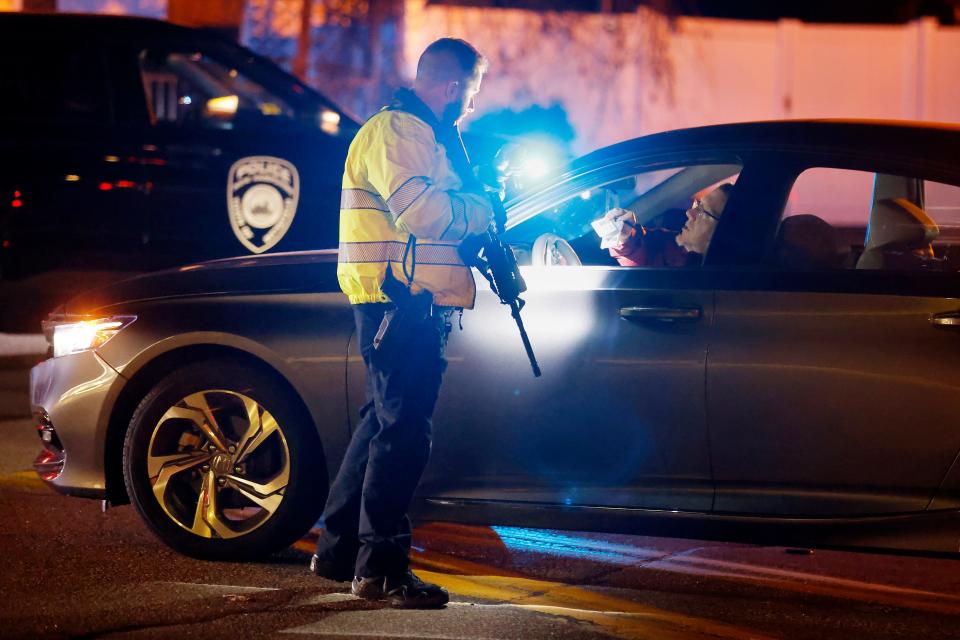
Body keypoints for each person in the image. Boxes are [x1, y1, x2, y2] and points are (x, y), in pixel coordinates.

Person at [309, 39, 494, 609]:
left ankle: (339, 552)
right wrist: (483, 208)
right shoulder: (401, 132)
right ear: (451, 86)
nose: (468, 108)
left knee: (381, 425)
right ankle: (381, 570)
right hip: (399, 302)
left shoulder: (417, 133)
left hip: (404, 301)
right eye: (470, 94)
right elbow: (425, 213)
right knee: (404, 435)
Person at [603, 183, 732, 267]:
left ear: (722, 233)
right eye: (698, 205)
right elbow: (644, 246)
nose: (689, 212)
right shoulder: (671, 242)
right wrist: (625, 236)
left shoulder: (705, 288)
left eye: (703, 211)